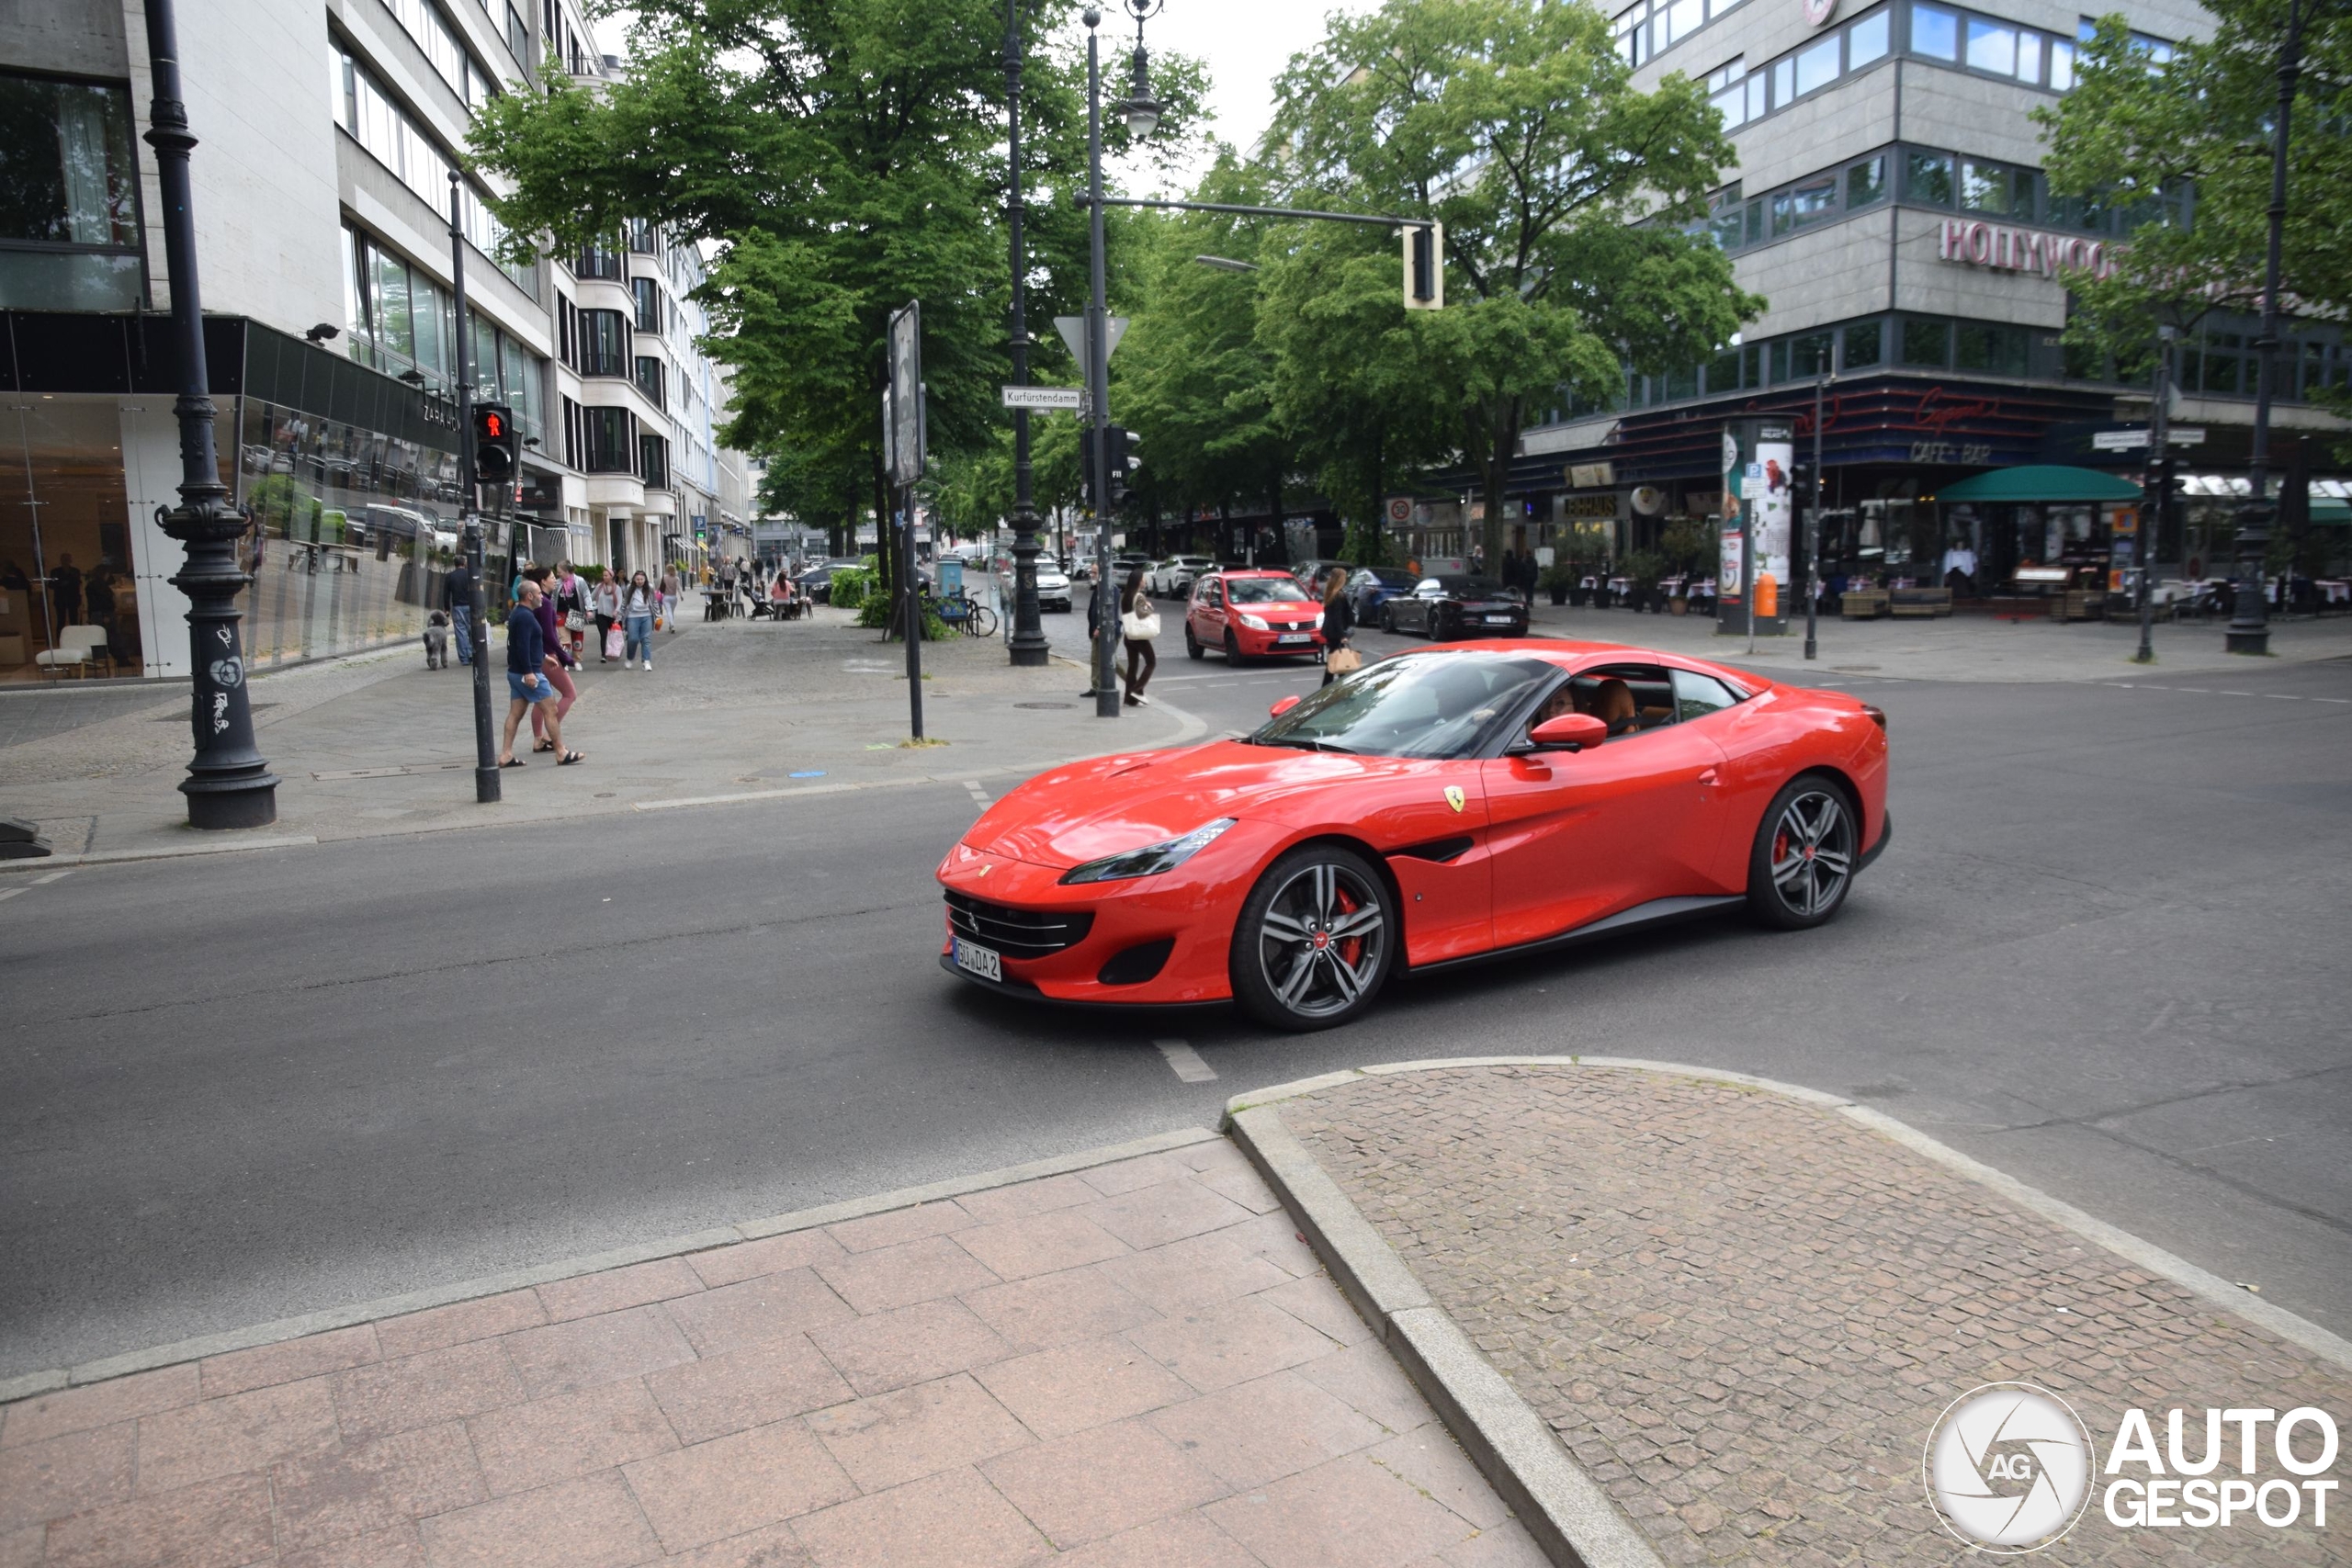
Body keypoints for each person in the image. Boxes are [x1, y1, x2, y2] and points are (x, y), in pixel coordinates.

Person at [498, 580, 579, 766]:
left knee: (515, 714)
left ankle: (506, 754)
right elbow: (521, 646)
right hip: (529, 673)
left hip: (516, 673)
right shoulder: (526, 617)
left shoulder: (519, 613)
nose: (542, 597)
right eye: (539, 594)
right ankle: (561, 752)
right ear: (529, 596)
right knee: (551, 710)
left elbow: (524, 644)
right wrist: (529, 672)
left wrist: (543, 656)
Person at [524, 567, 580, 752]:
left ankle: (538, 738)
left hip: (535, 655)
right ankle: (549, 736)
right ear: (543, 582)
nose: (555, 580)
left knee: (542, 698)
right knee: (570, 694)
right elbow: (549, 635)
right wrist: (565, 657)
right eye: (552, 577)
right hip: (547, 655)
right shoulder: (545, 604)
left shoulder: (534, 603)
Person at [1119, 567, 1158, 707]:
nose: (1145, 581)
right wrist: (1149, 606)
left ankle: (1129, 699)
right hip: (1139, 636)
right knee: (1151, 662)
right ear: (1138, 582)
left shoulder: (1126, 597)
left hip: (1128, 635)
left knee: (1132, 667)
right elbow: (1143, 614)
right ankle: (1136, 691)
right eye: (1143, 579)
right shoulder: (1139, 596)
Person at [1320, 565, 1354, 686]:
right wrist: (1342, 635)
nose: (1345, 580)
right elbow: (1337, 617)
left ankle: (1329, 687)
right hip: (1336, 633)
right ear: (1340, 579)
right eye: (1344, 577)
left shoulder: (1330, 593)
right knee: (1338, 663)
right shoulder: (1339, 596)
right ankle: (1338, 689)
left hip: (1330, 632)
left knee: (1335, 662)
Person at [621, 570, 659, 669]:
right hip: (632, 616)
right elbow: (625, 603)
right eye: (637, 579)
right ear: (634, 580)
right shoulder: (629, 588)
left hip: (647, 615)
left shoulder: (650, 588)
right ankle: (630, 658)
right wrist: (619, 617)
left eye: (642, 579)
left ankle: (646, 661)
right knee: (632, 639)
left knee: (646, 639)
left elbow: (654, 602)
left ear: (645, 579)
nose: (640, 581)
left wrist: (658, 615)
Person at [442, 558, 476, 665]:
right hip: (471, 606)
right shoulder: (470, 575)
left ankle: (464, 658)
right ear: (464, 563)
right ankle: (472, 653)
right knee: (472, 630)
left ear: (455, 564)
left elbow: (446, 594)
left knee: (461, 632)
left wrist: (447, 609)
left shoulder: (450, 576)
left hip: (457, 607)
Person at [553, 561, 588, 661]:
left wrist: (589, 609)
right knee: (564, 639)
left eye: (559, 572)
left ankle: (577, 660)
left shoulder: (580, 581)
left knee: (577, 638)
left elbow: (586, 595)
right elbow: (553, 597)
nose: (558, 574)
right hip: (560, 614)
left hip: (576, 613)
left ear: (567, 571)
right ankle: (565, 660)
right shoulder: (557, 582)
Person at [591, 568, 621, 662]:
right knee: (603, 635)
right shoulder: (599, 587)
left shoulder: (617, 588)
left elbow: (620, 601)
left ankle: (614, 652)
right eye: (603, 575)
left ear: (611, 577)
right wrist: (589, 606)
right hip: (601, 615)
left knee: (613, 635)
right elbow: (591, 596)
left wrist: (616, 611)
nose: (604, 577)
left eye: (606, 575)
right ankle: (603, 655)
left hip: (612, 616)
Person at [51, 553, 83, 626]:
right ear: (61, 560)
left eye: (68, 559)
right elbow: (51, 584)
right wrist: (60, 584)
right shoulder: (55, 571)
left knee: (74, 621)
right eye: (64, 559)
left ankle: (74, 636)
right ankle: (60, 636)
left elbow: (78, 584)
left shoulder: (75, 571)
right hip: (60, 599)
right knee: (61, 621)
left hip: (73, 599)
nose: (66, 561)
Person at [659, 564, 682, 632]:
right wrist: (681, 595)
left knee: (669, 612)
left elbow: (660, 587)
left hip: (666, 597)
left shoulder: (664, 577)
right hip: (674, 597)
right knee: (672, 612)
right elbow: (678, 588)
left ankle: (671, 625)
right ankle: (671, 624)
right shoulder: (676, 578)